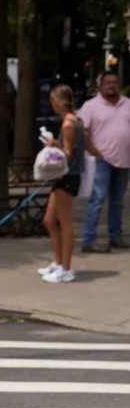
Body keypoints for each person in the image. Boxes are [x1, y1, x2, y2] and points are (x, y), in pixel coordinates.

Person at [38, 83, 84, 284]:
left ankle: (66, 269)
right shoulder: (71, 121)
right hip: (64, 177)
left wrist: (55, 145)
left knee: (65, 223)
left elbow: (67, 155)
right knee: (49, 221)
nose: (51, 104)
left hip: (67, 176)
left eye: (52, 100)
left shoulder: (68, 125)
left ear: (58, 101)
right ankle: (59, 263)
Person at [79, 68, 130, 253]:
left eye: (114, 82)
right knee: (97, 200)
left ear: (119, 85)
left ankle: (115, 236)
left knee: (117, 202)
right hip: (101, 161)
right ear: (100, 86)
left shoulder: (127, 104)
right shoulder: (90, 106)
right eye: (107, 83)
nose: (111, 86)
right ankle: (89, 240)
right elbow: (81, 131)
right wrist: (93, 151)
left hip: (124, 160)